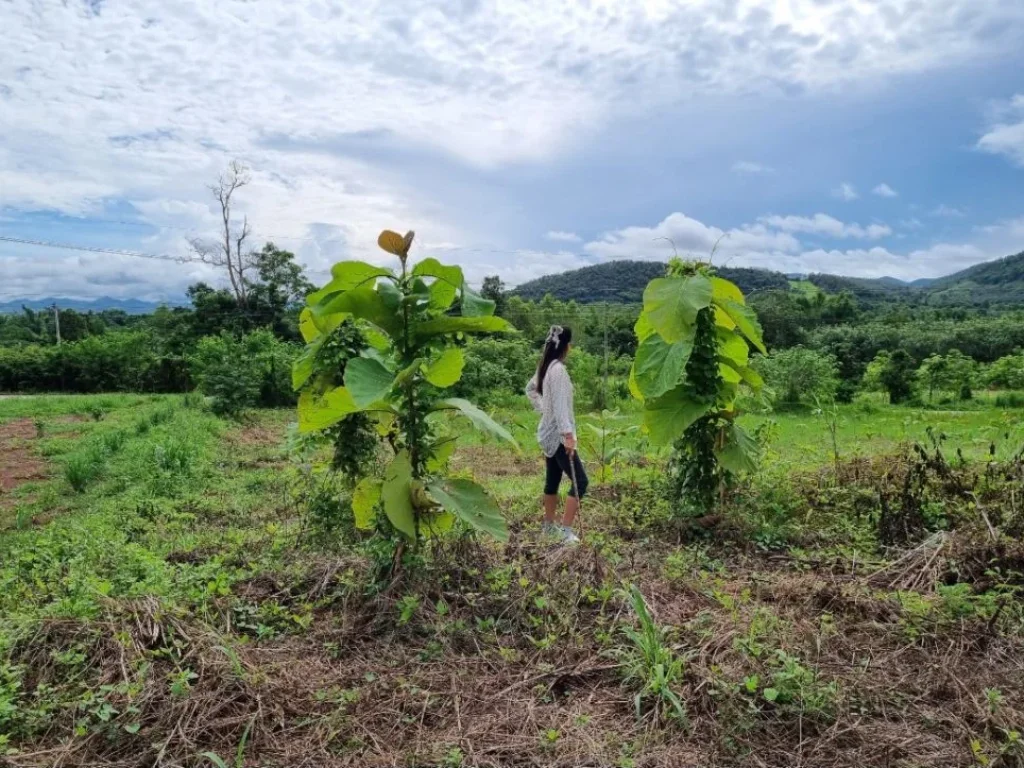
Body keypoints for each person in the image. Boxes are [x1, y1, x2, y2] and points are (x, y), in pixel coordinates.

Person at [525, 325, 588, 543]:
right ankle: (565, 531)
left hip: (547, 434)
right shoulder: (558, 370)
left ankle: (548, 527)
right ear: (566, 346)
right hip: (559, 437)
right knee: (581, 481)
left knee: (552, 479)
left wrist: (545, 410)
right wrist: (568, 435)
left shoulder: (546, 366)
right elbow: (561, 406)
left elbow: (530, 389)